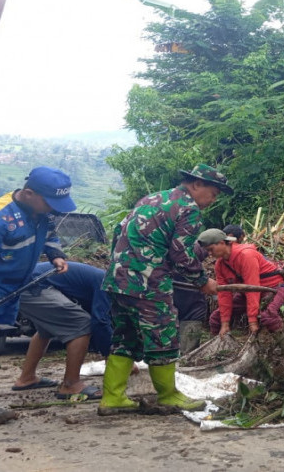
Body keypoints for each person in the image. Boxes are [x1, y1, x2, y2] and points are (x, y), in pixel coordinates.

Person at [98, 164, 231, 416]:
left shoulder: (152, 198)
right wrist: (203, 282)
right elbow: (182, 254)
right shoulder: (187, 208)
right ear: (197, 184)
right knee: (163, 334)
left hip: (118, 279)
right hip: (148, 283)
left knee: (125, 336)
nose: (212, 201)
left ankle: (113, 397)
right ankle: (169, 395)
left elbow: (118, 232)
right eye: (213, 194)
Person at [0, 167, 100, 399]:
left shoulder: (44, 212)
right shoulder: (1, 217)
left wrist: (56, 255)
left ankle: (27, 378)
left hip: (26, 281)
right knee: (80, 323)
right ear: (29, 193)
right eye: (51, 201)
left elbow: (50, 235)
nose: (54, 208)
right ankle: (70, 385)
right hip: (3, 287)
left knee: (51, 324)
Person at [199, 228, 284, 336]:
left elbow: (253, 287)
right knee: (216, 318)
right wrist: (225, 323)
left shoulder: (246, 255)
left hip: (274, 287)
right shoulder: (220, 265)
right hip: (247, 292)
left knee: (268, 316)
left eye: (211, 249)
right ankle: (219, 348)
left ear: (222, 243)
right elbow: (224, 293)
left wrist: (252, 320)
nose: (209, 254)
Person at [172, 241, 208, 355]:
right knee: (187, 350)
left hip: (180, 303)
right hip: (190, 306)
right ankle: (186, 357)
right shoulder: (193, 250)